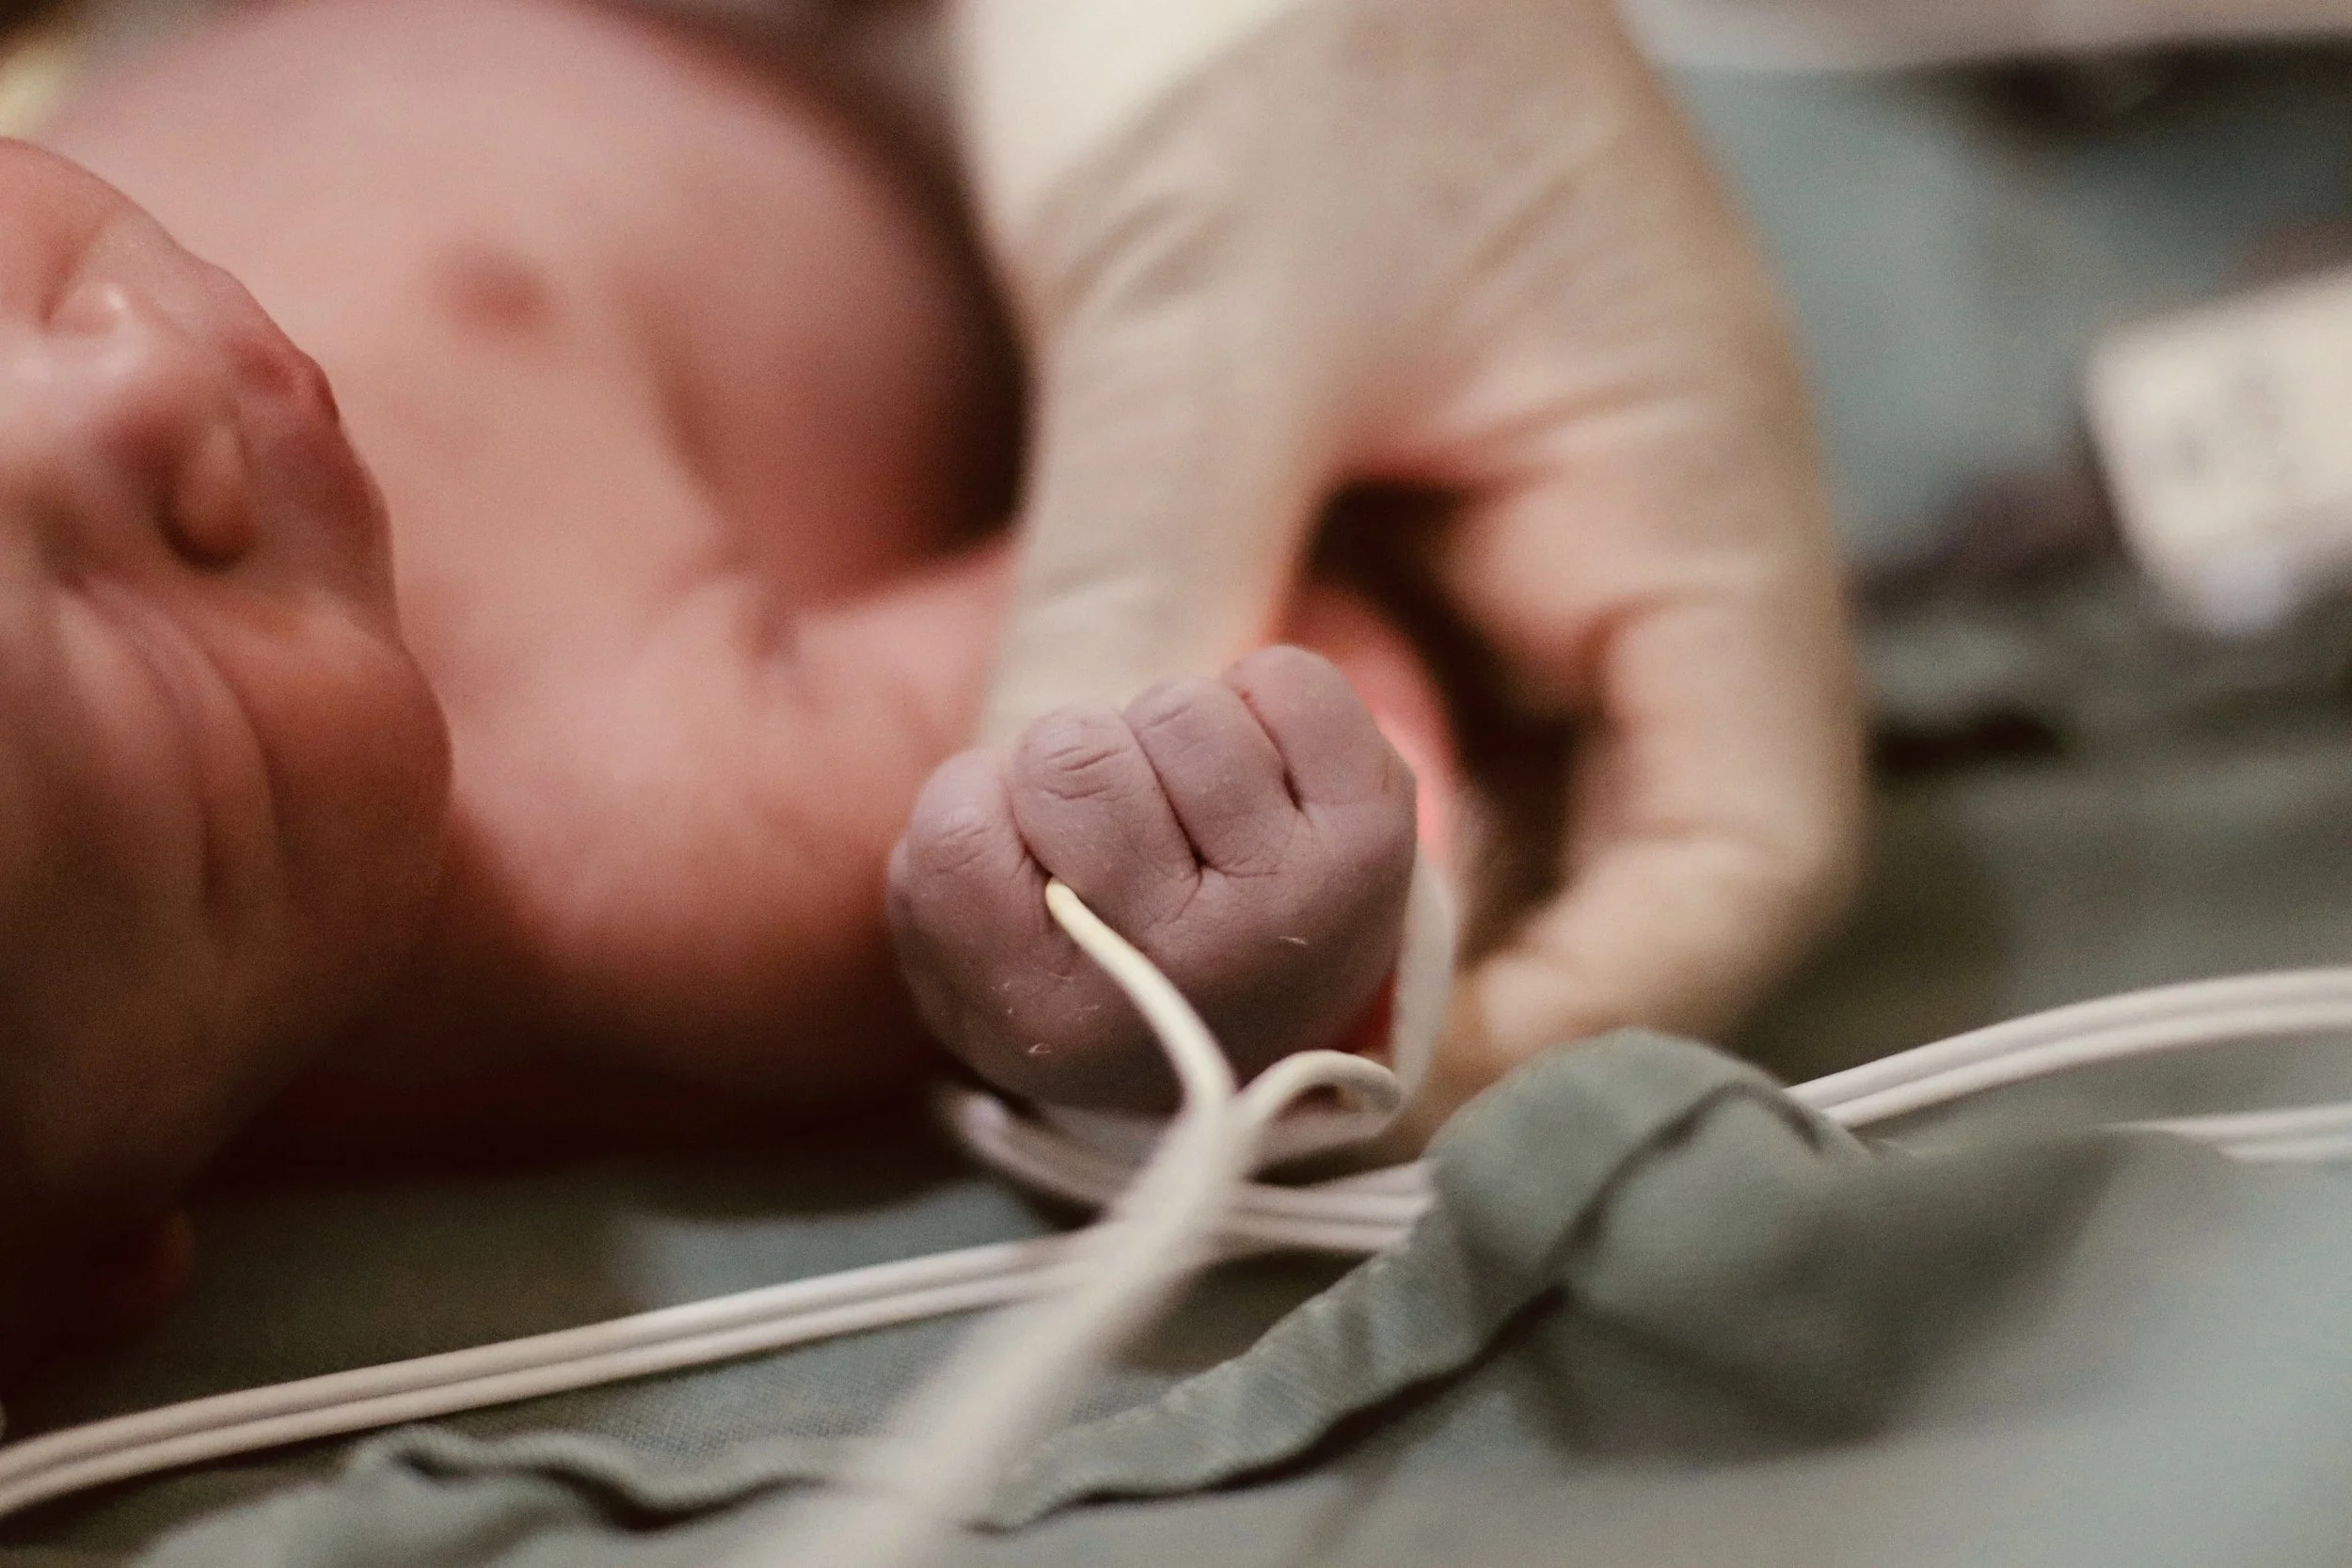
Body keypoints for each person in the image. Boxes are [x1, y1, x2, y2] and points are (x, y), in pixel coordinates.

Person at [0, 0, 1458, 1372]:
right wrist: (1227, 900)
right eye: (132, 664)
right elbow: (1241, 630)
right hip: (1015, 108)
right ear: (77, 1289)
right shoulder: (646, 856)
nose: (132, 380)